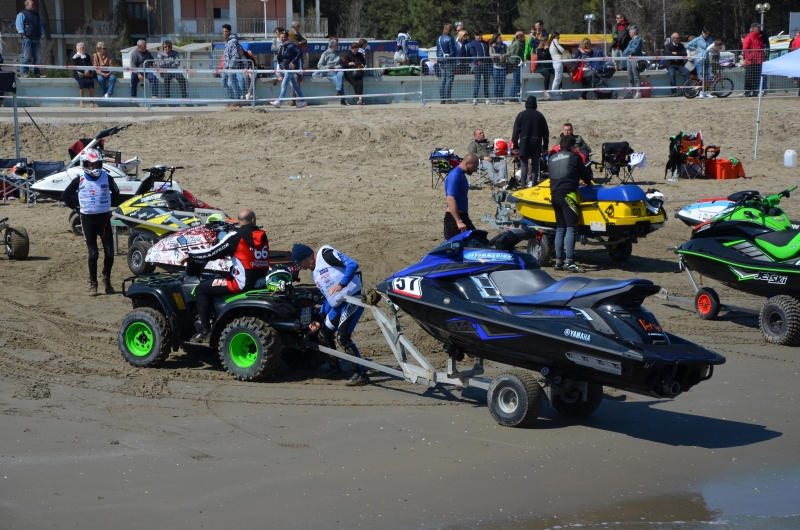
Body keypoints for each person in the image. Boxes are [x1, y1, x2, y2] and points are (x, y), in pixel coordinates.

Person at [181, 209, 270, 343]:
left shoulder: (235, 236)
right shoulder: (262, 236)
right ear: (253, 220)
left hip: (241, 284)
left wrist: (191, 255)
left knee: (201, 289)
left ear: (239, 221)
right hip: (260, 282)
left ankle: (205, 331)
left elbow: (211, 253)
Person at [292, 244, 369, 386]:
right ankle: (335, 368)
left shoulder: (326, 254)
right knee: (323, 333)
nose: (303, 268)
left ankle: (361, 374)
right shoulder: (314, 273)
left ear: (308, 256)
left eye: (302, 264)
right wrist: (318, 319)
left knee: (343, 337)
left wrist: (341, 284)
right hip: (338, 304)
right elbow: (328, 298)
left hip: (352, 299)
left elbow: (353, 264)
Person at [60, 148, 120, 296]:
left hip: (104, 218)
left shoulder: (107, 177)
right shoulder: (80, 179)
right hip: (87, 219)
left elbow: (116, 192)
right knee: (93, 253)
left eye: (97, 164)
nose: (94, 167)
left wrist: (110, 206)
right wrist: (77, 209)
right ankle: (93, 284)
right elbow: (65, 195)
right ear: (85, 164)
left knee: (110, 253)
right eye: (91, 164)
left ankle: (106, 278)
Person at [547, 134, 593, 273]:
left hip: (554, 196)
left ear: (560, 146)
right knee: (571, 229)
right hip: (568, 196)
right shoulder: (574, 157)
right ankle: (570, 262)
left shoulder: (552, 158)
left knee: (560, 229)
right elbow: (586, 176)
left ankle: (558, 261)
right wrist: (586, 181)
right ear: (573, 147)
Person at [512, 96, 549, 188]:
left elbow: (515, 131)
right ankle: (533, 185)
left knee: (524, 165)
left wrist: (515, 146)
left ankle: (523, 186)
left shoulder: (521, 115)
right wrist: (545, 146)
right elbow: (546, 132)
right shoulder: (540, 116)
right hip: (536, 142)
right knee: (535, 164)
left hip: (524, 142)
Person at [443, 153, 479, 239]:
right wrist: (458, 221)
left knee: (478, 240)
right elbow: (450, 198)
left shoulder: (461, 174)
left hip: (462, 217)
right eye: (474, 167)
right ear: (467, 163)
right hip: (454, 219)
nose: (475, 170)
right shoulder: (455, 175)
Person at [270, 31, 307, 108]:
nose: (282, 39)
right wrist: (281, 67)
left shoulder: (291, 45)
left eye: (283, 37)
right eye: (281, 37)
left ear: (287, 37)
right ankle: (302, 101)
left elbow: (300, 52)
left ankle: (279, 102)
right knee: (294, 86)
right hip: (286, 67)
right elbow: (280, 58)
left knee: (284, 84)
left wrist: (293, 62)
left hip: (290, 68)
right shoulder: (282, 46)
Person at [16, 0, 45, 78]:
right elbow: (19, 25)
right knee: (25, 56)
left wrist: (41, 34)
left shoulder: (36, 15)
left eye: (34, 4)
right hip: (27, 38)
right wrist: (24, 36)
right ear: (26, 5)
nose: (33, 5)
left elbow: (40, 25)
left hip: (36, 39)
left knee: (37, 57)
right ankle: (25, 73)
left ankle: (37, 73)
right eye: (32, 4)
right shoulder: (22, 14)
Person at [686, 27, 714, 98]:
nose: (706, 35)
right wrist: (695, 49)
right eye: (705, 33)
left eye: (708, 33)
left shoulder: (710, 39)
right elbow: (687, 46)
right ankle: (701, 92)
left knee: (709, 76)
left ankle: (706, 92)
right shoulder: (697, 39)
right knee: (700, 77)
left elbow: (713, 47)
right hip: (699, 60)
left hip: (707, 59)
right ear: (702, 32)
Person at [743, 23, 769, 97]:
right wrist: (750, 57)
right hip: (751, 62)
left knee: (757, 77)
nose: (759, 29)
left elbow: (762, 48)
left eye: (759, 27)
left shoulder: (760, 37)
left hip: (759, 61)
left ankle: (755, 91)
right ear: (753, 28)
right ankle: (747, 91)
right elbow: (745, 49)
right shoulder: (748, 37)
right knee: (749, 77)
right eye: (758, 27)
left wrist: (763, 57)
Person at [318, 39, 346, 105]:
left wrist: (336, 67)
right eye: (337, 44)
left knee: (341, 75)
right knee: (339, 81)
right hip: (330, 72)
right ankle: (342, 99)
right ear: (333, 45)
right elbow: (319, 65)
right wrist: (327, 68)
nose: (338, 46)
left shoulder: (338, 53)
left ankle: (339, 91)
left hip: (338, 70)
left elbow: (341, 64)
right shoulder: (325, 54)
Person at [466, 29, 490, 105]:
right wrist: (476, 61)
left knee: (486, 82)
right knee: (477, 82)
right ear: (475, 35)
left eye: (480, 35)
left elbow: (488, 53)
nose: (480, 36)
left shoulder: (485, 43)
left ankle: (487, 98)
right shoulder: (472, 43)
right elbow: (472, 53)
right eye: (478, 35)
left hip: (486, 65)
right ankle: (475, 98)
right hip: (478, 65)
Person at [221, 24, 244, 103]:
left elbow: (235, 55)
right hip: (226, 66)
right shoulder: (227, 41)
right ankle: (231, 99)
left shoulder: (233, 41)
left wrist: (231, 66)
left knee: (234, 83)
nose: (225, 33)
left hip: (231, 66)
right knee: (223, 82)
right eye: (223, 31)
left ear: (230, 31)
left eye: (226, 31)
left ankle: (237, 100)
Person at [436, 23, 457, 104]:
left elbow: (438, 51)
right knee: (449, 79)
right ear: (450, 30)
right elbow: (452, 51)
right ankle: (448, 98)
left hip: (441, 60)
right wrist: (453, 58)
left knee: (443, 79)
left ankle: (442, 98)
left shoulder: (439, 38)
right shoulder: (450, 38)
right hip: (449, 61)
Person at [664, 32, 689, 96]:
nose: (679, 39)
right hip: (671, 64)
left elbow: (685, 53)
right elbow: (668, 54)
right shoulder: (667, 46)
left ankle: (684, 90)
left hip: (679, 64)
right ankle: (674, 92)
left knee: (686, 72)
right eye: (678, 38)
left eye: (679, 37)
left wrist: (677, 53)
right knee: (672, 74)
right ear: (673, 39)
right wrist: (674, 55)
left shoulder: (681, 45)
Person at [622, 25, 643, 99]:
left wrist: (629, 49)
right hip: (629, 59)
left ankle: (638, 92)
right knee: (630, 77)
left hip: (635, 59)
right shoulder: (630, 41)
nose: (629, 33)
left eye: (630, 32)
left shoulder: (639, 40)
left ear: (633, 32)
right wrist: (630, 50)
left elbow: (635, 49)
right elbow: (625, 51)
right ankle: (630, 92)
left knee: (636, 76)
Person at [72, 43, 95, 108]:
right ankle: (81, 101)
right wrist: (84, 71)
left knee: (91, 82)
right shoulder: (75, 57)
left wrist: (88, 70)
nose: (82, 49)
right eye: (80, 48)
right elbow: (75, 67)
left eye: (83, 48)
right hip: (78, 74)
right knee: (82, 83)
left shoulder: (87, 56)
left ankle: (91, 101)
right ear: (77, 49)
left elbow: (90, 65)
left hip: (88, 73)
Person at [489, 34, 509, 104]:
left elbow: (509, 53)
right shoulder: (492, 46)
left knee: (502, 84)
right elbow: (491, 54)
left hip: (503, 67)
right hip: (496, 67)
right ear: (495, 39)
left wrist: (503, 55)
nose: (500, 39)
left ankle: (501, 98)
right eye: (498, 38)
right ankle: (497, 98)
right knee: (496, 84)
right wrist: (499, 55)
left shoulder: (504, 45)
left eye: (500, 38)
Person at [508, 31, 525, 101]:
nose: (524, 37)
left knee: (517, 80)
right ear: (519, 37)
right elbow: (514, 55)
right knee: (516, 81)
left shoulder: (519, 43)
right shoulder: (517, 44)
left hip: (518, 64)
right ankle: (513, 96)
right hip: (516, 65)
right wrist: (513, 65)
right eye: (523, 35)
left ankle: (515, 96)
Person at [549, 32, 565, 100]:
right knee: (557, 79)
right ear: (555, 37)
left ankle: (555, 94)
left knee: (558, 78)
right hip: (557, 62)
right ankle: (554, 95)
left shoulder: (552, 43)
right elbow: (562, 50)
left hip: (556, 62)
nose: (559, 39)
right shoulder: (555, 41)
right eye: (558, 37)